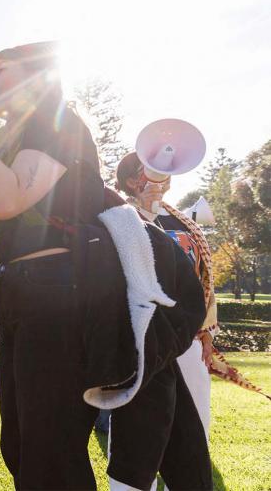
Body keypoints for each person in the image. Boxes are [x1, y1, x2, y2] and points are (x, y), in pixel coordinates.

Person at [0, 42, 210, 489]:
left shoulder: (57, 124)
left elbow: (8, 198)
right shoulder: (23, 133)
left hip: (58, 292)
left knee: (48, 451)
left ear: (36, 79)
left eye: (0, 68)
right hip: (29, 293)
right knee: (24, 445)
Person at [113, 152, 217, 489]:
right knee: (140, 434)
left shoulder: (183, 223)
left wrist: (206, 332)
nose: (162, 179)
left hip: (187, 340)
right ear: (131, 180)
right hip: (145, 341)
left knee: (192, 428)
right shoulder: (121, 218)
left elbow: (203, 279)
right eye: (149, 171)